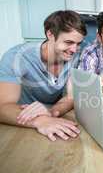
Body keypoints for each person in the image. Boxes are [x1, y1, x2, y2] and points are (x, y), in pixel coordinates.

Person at [0, 10, 87, 141]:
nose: (74, 49)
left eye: (78, 44)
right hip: (20, 123)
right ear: (50, 34)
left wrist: (52, 112)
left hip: (54, 119)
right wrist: (40, 120)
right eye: (68, 42)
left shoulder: (77, 56)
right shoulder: (17, 57)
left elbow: (70, 98)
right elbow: (3, 106)